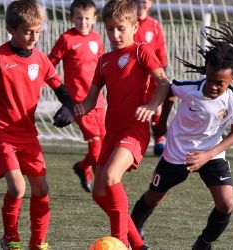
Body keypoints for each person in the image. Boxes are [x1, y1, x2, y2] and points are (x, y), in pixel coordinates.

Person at [130, 22, 233, 250]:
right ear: (205, 69)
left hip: (212, 153)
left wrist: (208, 155)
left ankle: (204, 243)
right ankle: (133, 229)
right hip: (177, 152)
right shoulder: (189, 87)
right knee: (153, 198)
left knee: (226, 204)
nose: (214, 87)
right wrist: (162, 124)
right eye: (211, 79)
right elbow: (167, 90)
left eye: (221, 84)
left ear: (232, 79)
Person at [0, 1, 73, 249]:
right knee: (17, 188)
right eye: (28, 31)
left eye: (38, 31)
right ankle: (10, 238)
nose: (34, 37)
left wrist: (69, 107)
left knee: (42, 188)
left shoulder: (41, 59)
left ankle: (38, 243)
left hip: (28, 134)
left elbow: (61, 89)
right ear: (10, 29)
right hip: (1, 133)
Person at [72, 0, 170, 249]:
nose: (115, 35)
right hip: (111, 133)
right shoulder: (104, 60)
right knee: (98, 193)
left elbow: (163, 83)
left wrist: (151, 106)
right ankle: (138, 245)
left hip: (134, 131)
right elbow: (90, 100)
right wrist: (73, 109)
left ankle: (121, 241)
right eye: (110, 29)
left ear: (134, 26)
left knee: (112, 177)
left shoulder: (141, 51)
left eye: (121, 28)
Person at [48, 0, 106, 193]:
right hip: (80, 103)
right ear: (72, 18)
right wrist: (63, 94)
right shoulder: (66, 39)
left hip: (98, 100)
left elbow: (102, 67)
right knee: (97, 146)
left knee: (104, 144)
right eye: (79, 18)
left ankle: (82, 167)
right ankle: (105, 186)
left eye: (87, 18)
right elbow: (49, 65)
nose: (83, 22)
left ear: (94, 19)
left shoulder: (97, 39)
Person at [133, 0, 168, 156]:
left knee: (156, 104)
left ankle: (159, 138)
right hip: (133, 72)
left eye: (145, 1)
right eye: (138, 1)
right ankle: (133, 137)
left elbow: (160, 48)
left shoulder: (154, 25)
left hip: (152, 71)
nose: (142, 4)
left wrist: (162, 67)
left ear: (151, 3)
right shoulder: (128, 22)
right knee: (135, 103)